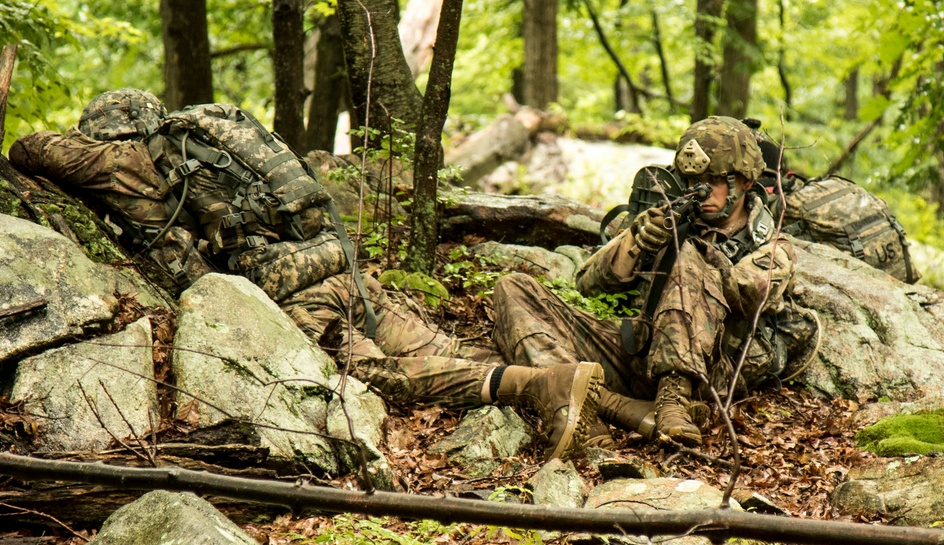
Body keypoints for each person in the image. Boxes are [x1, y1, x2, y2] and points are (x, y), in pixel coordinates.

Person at [7, 88, 602, 461]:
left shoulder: (123, 158)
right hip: (335, 257)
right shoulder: (215, 143)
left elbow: (29, 149)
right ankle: (604, 397)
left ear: (114, 133)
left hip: (292, 285)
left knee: (374, 374)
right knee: (443, 345)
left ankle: (535, 387)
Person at [491, 116, 798, 447]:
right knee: (514, 288)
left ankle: (672, 402)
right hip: (636, 350)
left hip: (704, 370)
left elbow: (749, 293)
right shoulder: (670, 216)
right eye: (692, 179)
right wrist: (638, 240)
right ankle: (588, 408)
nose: (702, 189)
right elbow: (587, 284)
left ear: (746, 182)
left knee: (693, 256)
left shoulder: (772, 243)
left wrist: (690, 252)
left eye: (715, 180)